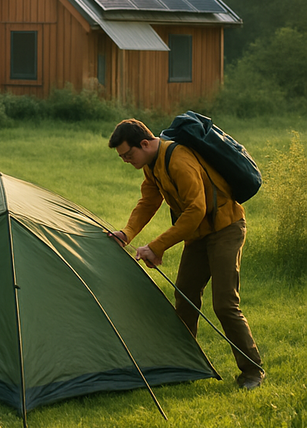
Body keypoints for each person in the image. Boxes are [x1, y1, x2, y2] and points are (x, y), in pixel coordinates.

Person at [107, 118, 264, 390]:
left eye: (128, 155)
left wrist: (156, 246)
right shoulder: (151, 166)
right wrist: (126, 233)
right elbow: (148, 202)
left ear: (144, 143)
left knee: (225, 304)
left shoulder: (178, 160)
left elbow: (195, 211)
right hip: (198, 236)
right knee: (185, 297)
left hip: (226, 228)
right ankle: (184, 364)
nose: (126, 161)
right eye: (122, 157)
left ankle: (253, 372)